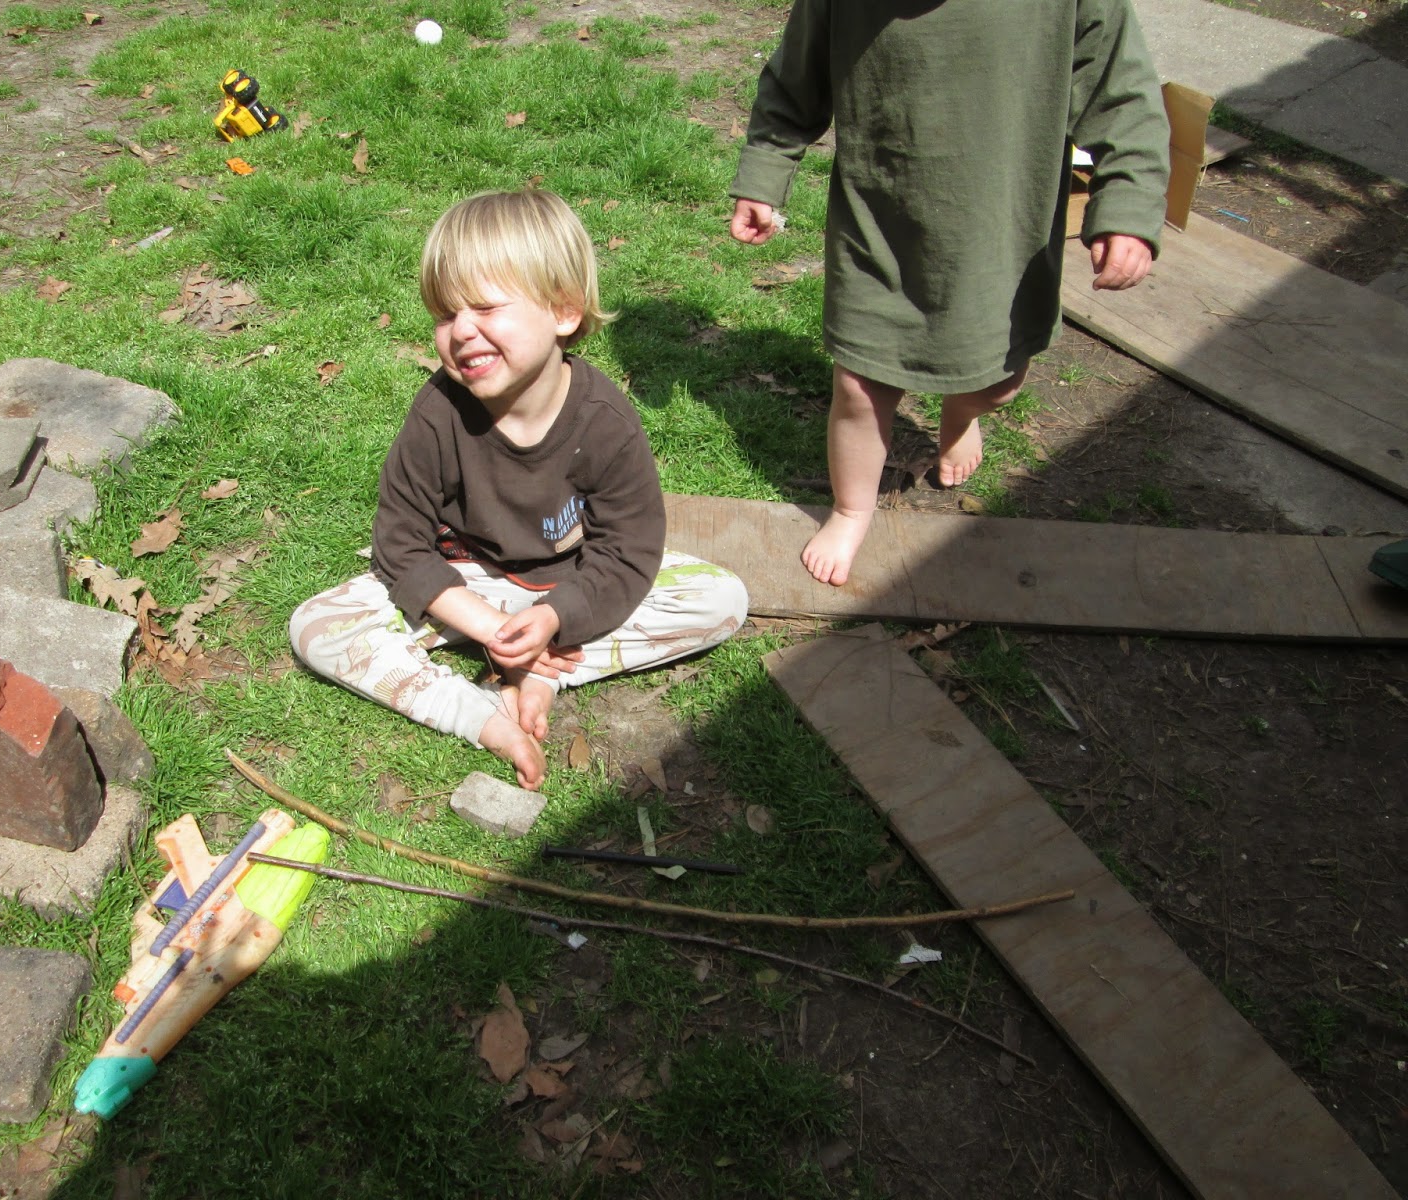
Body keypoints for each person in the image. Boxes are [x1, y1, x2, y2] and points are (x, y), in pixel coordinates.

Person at [291, 190, 748, 790]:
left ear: (563, 312)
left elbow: (629, 549)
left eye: (485, 307)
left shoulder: (605, 421)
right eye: (445, 314)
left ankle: (545, 673)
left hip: (567, 583)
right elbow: (400, 546)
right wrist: (486, 626)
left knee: (720, 598)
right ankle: (476, 712)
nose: (461, 332)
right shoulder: (437, 414)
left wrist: (554, 618)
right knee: (316, 625)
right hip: (465, 585)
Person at [729, 0, 1170, 586]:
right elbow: (794, 81)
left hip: (1003, 230)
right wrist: (764, 174)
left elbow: (1124, 96)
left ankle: (961, 415)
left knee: (999, 380)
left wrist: (1129, 208)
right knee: (860, 384)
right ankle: (852, 507)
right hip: (880, 220)